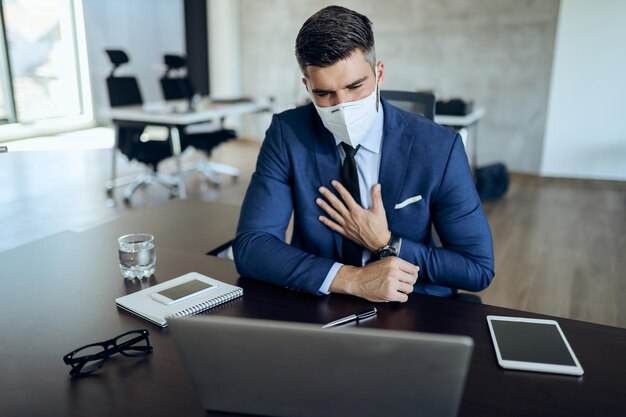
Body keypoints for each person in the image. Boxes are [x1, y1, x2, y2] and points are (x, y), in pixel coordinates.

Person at [233, 5, 494, 302]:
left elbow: (477, 268)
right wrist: (351, 279)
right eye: (324, 93)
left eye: (355, 86)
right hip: (322, 297)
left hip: (411, 303)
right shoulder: (287, 133)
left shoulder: (439, 147)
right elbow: (251, 246)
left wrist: (387, 242)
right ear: (307, 87)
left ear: (379, 73)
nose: (342, 105)